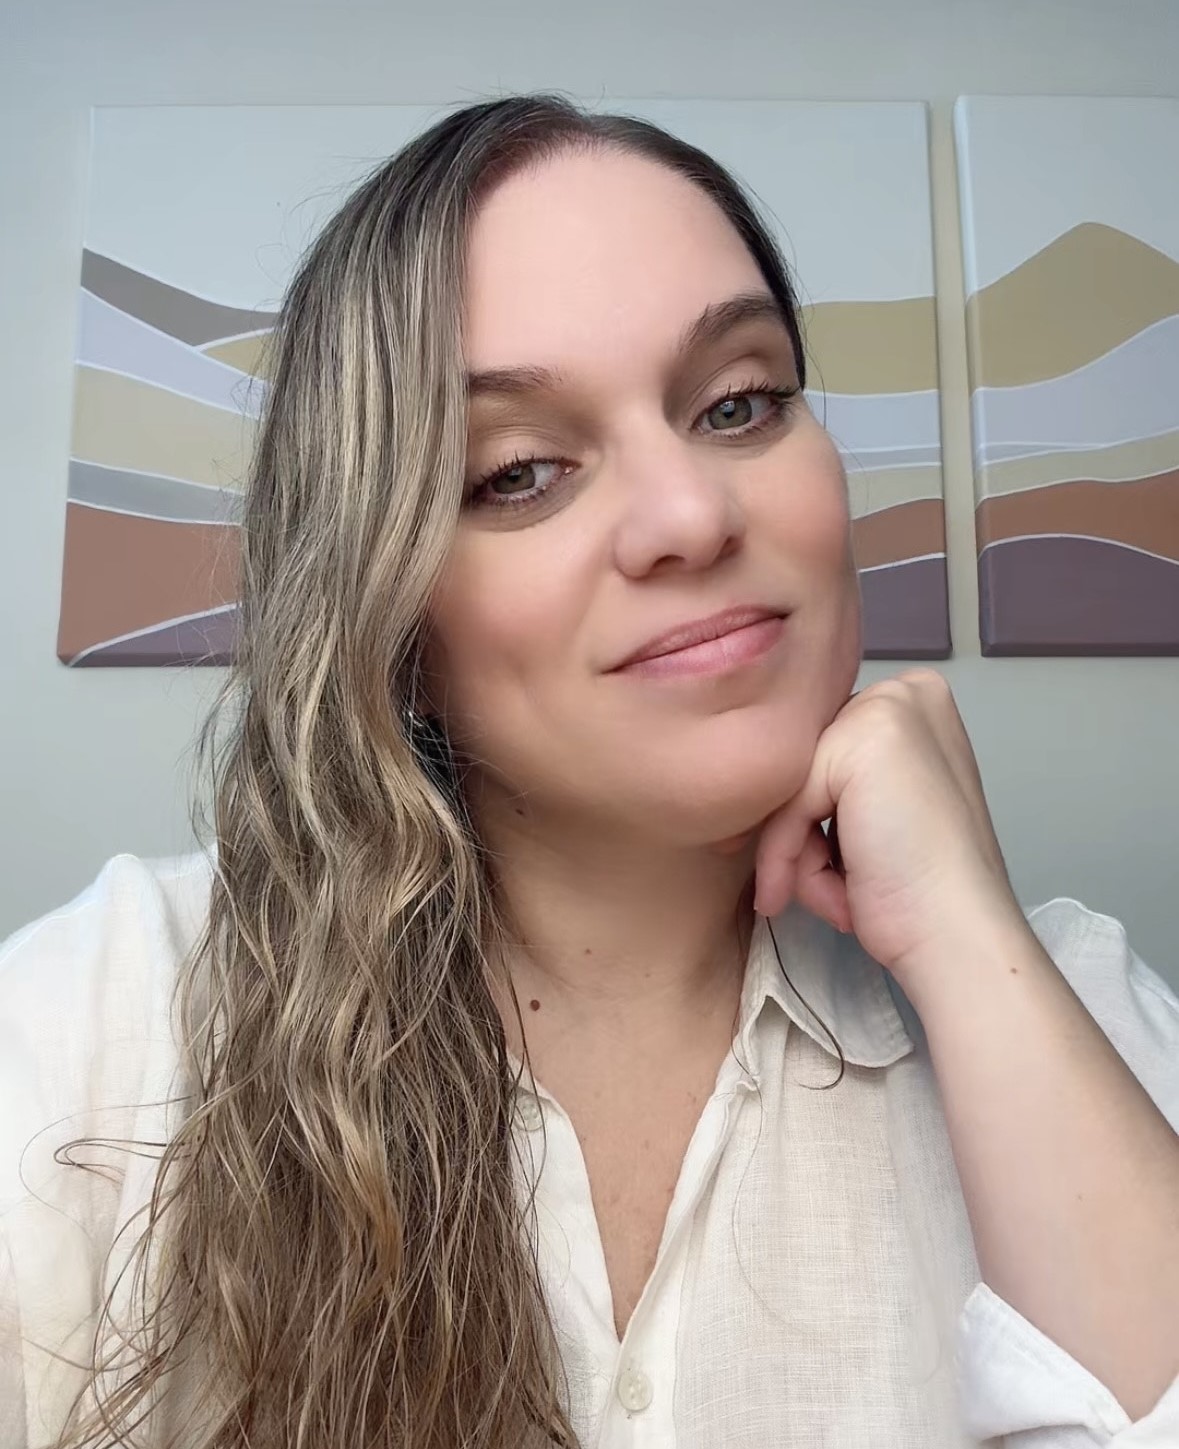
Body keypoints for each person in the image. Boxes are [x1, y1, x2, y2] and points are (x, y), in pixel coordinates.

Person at [2, 93, 1178, 1449]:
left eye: (738, 403)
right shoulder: (102, 1019)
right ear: (392, 616)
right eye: (519, 473)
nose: (691, 514)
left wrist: (969, 943)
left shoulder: (1069, 1006)